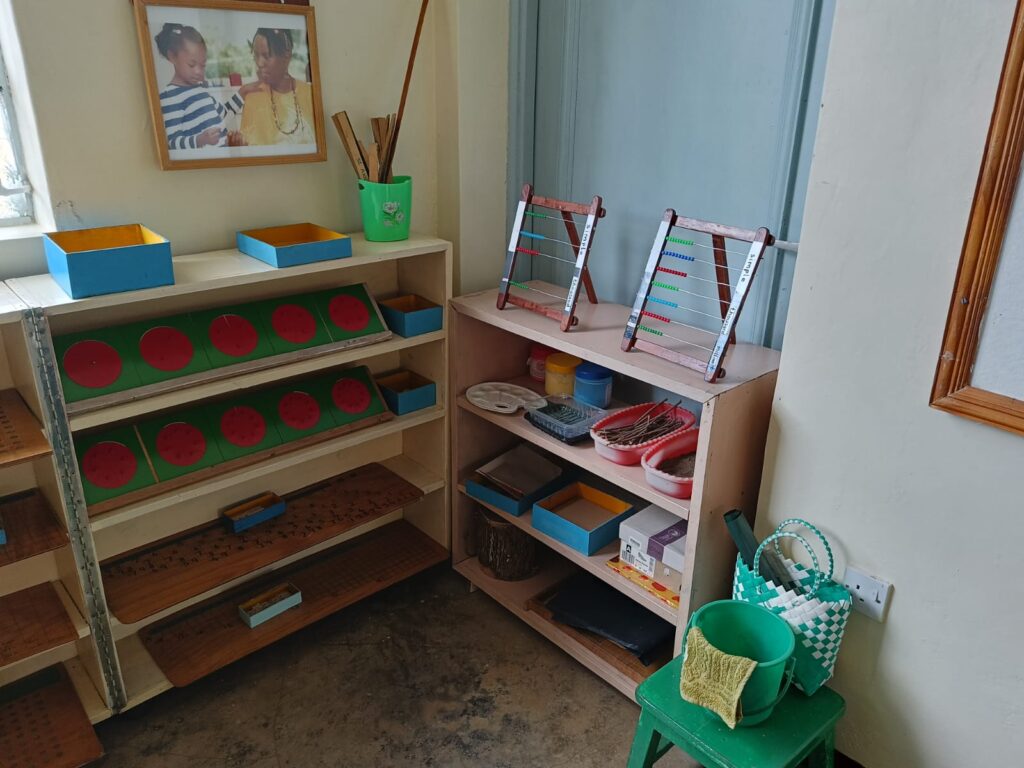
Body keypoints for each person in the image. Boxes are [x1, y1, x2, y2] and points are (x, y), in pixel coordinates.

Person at [154, 23, 257, 150]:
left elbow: (223, 114)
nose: (198, 71)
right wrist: (200, 140)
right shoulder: (169, 97)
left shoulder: (200, 89)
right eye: (191, 65)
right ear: (172, 57)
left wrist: (243, 92)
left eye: (202, 65)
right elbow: (172, 142)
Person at [239, 28, 316, 146]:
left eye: (266, 56)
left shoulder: (310, 94)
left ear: (286, 55)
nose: (259, 63)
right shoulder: (253, 98)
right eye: (256, 55)